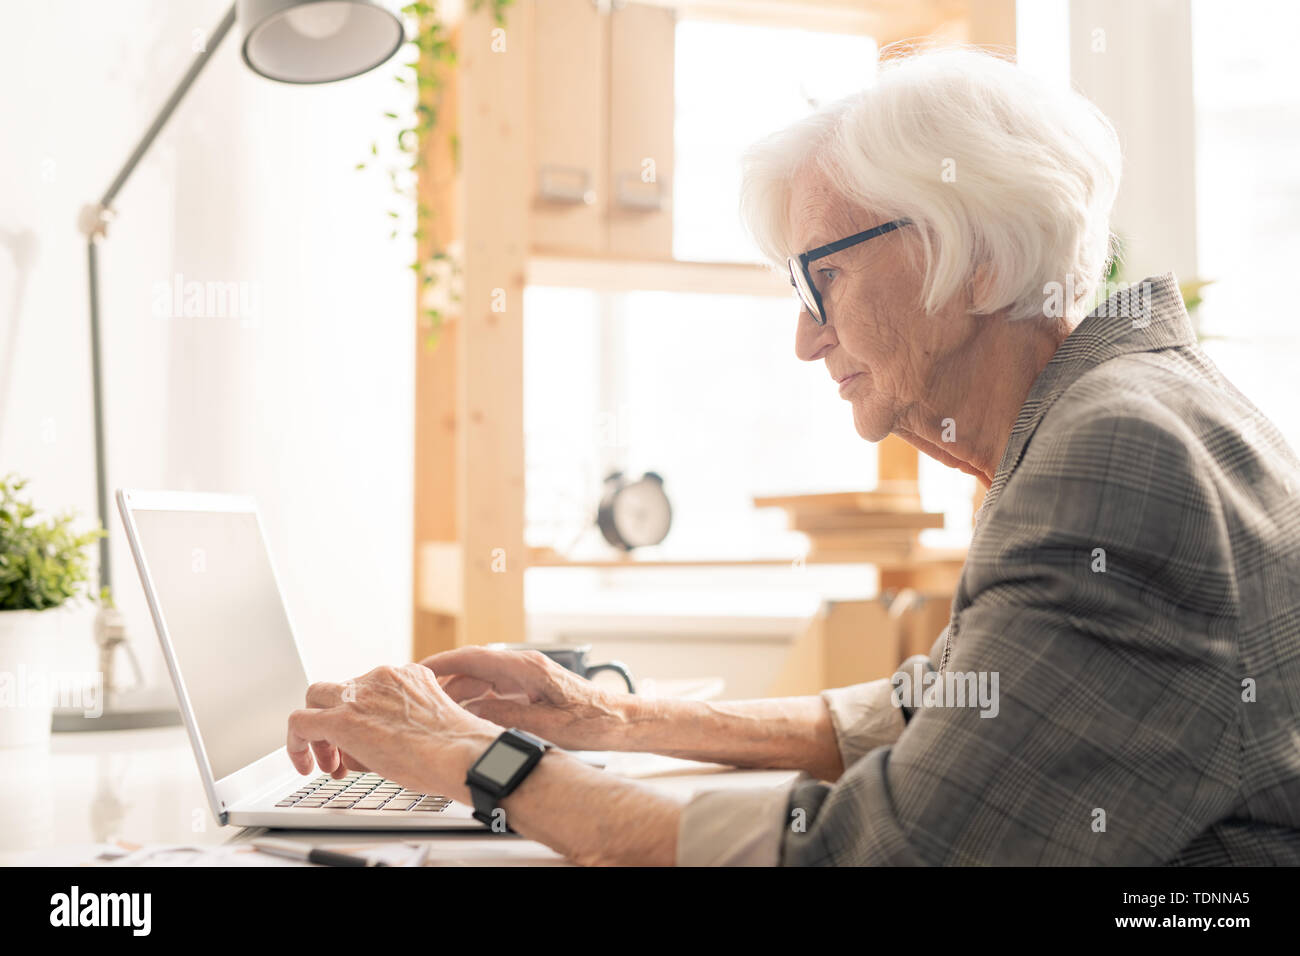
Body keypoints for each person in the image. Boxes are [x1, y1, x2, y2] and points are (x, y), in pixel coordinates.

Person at [286, 48, 1300, 865]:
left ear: (977, 258)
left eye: (826, 278)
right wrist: (600, 714)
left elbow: (881, 853)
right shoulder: (1103, 413)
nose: (807, 338)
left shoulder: (1114, 457)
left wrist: (479, 759)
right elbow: (936, 699)